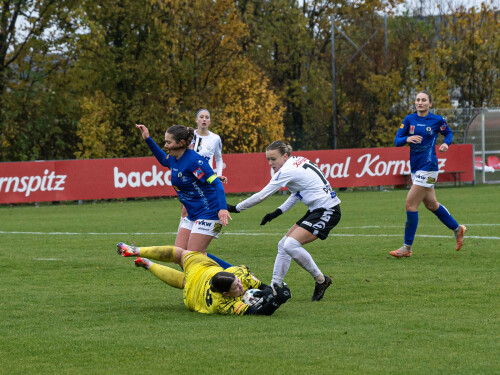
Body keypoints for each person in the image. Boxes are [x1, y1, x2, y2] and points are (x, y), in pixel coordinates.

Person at [226, 141, 341, 301]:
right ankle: (274, 288)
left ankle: (321, 280)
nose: (270, 163)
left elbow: (262, 195)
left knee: (290, 245)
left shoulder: (287, 170)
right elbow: (297, 192)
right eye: (268, 159)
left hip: (327, 210)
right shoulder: (296, 161)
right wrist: (278, 211)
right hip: (317, 209)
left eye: (273, 159)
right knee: (283, 245)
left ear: (285, 156)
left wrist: (236, 208)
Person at [135, 124, 232, 261]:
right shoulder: (174, 159)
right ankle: (223, 276)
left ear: (180, 143)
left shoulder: (194, 161)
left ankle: (234, 275)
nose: (166, 145)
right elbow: (163, 160)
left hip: (209, 212)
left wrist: (222, 209)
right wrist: (147, 139)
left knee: (191, 257)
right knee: (179, 256)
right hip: (193, 214)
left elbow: (216, 183)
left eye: (169, 142)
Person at [116, 242, 292, 315]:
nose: (241, 287)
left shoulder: (237, 274)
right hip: (195, 288)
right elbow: (257, 312)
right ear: (225, 293)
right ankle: (144, 260)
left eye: (238, 283)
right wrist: (275, 301)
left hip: (200, 275)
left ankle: (140, 254)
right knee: (184, 277)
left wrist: (271, 293)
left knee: (182, 255)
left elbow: (264, 286)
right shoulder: (221, 303)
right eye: (237, 288)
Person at [390, 91, 466, 258]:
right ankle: (457, 229)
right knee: (432, 205)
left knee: (410, 205)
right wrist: (407, 140)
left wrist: (446, 144)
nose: (420, 102)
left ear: (430, 104)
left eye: (424, 100)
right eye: (418, 100)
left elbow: (449, 133)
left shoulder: (437, 120)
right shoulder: (409, 120)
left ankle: (406, 247)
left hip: (429, 167)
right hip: (416, 168)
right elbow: (397, 141)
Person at [179, 109, 228, 222]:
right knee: (185, 209)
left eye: (207, 117)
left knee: (204, 207)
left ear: (210, 121)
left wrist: (218, 175)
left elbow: (219, 159)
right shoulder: (188, 136)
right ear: (196, 120)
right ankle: (183, 233)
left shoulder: (215, 138)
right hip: (188, 177)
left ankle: (199, 233)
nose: (204, 119)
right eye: (201, 117)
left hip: (205, 177)